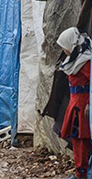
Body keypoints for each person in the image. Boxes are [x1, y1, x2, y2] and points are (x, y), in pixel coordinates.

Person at [57, 27, 91, 179]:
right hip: (76, 105)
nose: (64, 50)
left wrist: (90, 103)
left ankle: (82, 174)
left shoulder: (85, 62)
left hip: (83, 108)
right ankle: (80, 172)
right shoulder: (77, 59)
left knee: (82, 141)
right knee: (78, 141)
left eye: (64, 46)